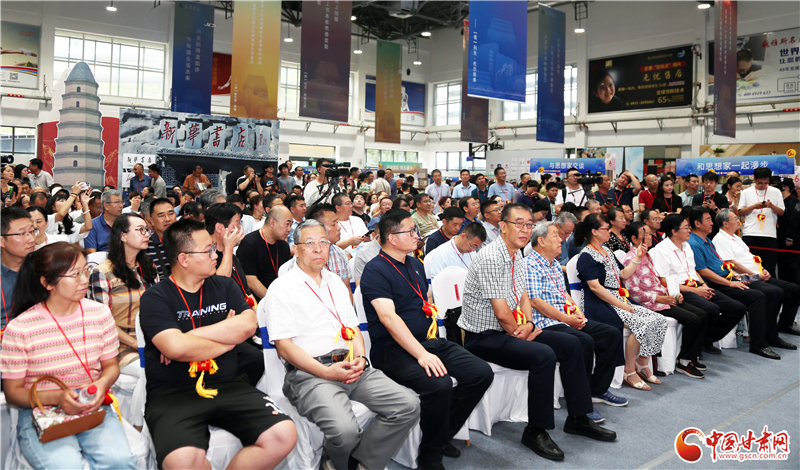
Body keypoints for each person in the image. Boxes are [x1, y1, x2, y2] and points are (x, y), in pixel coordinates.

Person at [460, 205, 616, 462]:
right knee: (543, 355)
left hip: (514, 328)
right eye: (519, 224)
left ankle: (578, 417)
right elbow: (501, 313)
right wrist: (519, 330)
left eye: (529, 225)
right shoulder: (491, 257)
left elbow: (524, 297)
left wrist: (530, 324)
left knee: (573, 345)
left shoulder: (517, 255)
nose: (525, 230)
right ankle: (536, 430)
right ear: (503, 226)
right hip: (485, 337)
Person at [138, 219, 296, 468]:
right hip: (174, 393)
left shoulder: (224, 285)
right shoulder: (155, 298)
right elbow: (176, 349)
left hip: (229, 384)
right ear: (183, 259)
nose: (216, 255)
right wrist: (228, 341)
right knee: (182, 461)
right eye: (208, 250)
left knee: (283, 434)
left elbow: (248, 325)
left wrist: (189, 336)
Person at [266, 219, 420, 470]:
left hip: (351, 365)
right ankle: (335, 463)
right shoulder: (281, 288)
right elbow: (284, 347)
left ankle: (361, 462)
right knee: (345, 431)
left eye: (323, 242)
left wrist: (361, 358)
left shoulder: (336, 282)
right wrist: (326, 372)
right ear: (296, 248)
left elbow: (353, 328)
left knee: (408, 405)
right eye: (310, 243)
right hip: (310, 373)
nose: (318, 249)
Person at [360, 209, 494, 470]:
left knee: (480, 373)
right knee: (439, 384)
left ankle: (440, 435)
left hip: (427, 341)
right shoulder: (375, 270)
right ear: (391, 238)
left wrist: (425, 347)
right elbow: (388, 318)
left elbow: (423, 302)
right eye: (410, 231)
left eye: (415, 230)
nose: (416, 235)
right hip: (392, 349)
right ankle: (430, 457)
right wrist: (421, 355)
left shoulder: (415, 264)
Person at [1, 242, 138, 469]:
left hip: (91, 403)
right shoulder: (21, 328)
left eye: (85, 271)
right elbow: (13, 393)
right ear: (47, 283)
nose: (84, 280)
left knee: (120, 462)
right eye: (75, 274)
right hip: (41, 409)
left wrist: (100, 386)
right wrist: (57, 397)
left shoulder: (99, 313)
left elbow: (111, 366)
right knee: (66, 465)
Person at [525, 221, 627, 417]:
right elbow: (536, 302)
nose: (561, 239)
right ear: (541, 241)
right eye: (555, 235)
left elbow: (563, 294)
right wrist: (567, 318)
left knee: (611, 334)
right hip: (545, 323)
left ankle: (597, 389)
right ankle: (582, 403)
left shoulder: (554, 264)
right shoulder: (529, 265)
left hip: (564, 318)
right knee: (584, 341)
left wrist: (576, 311)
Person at [575, 213, 668, 390]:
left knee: (658, 319)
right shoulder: (586, 256)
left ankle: (642, 362)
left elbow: (623, 274)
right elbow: (596, 288)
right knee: (641, 323)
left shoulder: (606, 250)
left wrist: (638, 257)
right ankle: (629, 370)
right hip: (600, 303)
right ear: (594, 231)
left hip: (618, 298)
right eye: (606, 228)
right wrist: (622, 305)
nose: (609, 232)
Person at [650, 212, 753, 357]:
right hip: (680, 290)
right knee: (711, 309)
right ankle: (696, 346)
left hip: (696, 286)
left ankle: (705, 338)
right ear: (674, 231)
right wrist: (696, 291)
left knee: (737, 308)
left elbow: (693, 271)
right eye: (686, 228)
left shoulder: (686, 246)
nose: (689, 231)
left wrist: (703, 285)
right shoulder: (660, 250)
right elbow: (664, 281)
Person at [687, 206, 778, 359]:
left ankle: (770, 336)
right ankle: (758, 344)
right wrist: (730, 283)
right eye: (708, 220)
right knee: (757, 296)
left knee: (773, 291)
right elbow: (703, 271)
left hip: (731, 277)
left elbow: (720, 264)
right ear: (697, 223)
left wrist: (736, 276)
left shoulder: (707, 240)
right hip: (717, 283)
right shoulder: (694, 243)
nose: (712, 223)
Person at [622, 222, 708, 379]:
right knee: (693, 319)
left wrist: (673, 293)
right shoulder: (631, 259)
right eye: (646, 234)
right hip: (650, 303)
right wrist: (660, 298)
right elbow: (633, 293)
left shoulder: (647, 255)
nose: (650, 237)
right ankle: (684, 361)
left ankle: (691, 357)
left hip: (662, 299)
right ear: (634, 239)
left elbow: (658, 282)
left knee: (702, 314)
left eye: (650, 234)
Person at [713, 208, 800, 340]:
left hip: (756, 274)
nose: (738, 221)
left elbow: (750, 257)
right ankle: (768, 332)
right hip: (744, 277)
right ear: (725, 223)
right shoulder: (720, 239)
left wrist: (763, 269)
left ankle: (784, 324)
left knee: (794, 289)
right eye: (735, 219)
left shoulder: (736, 237)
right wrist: (756, 275)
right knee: (774, 292)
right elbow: (732, 263)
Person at [238, 205, 293, 300]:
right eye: (287, 224)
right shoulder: (249, 244)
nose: (289, 229)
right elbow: (250, 281)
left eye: (291, 225)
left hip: (281, 296)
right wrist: (272, 300)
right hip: (260, 301)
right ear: (272, 222)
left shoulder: (283, 245)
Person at [737, 167, 784, 277]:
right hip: (750, 234)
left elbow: (781, 212)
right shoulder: (746, 192)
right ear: (754, 179)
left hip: (769, 234)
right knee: (750, 267)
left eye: (766, 183)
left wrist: (772, 206)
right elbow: (740, 212)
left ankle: (771, 287)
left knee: (769, 268)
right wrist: (754, 206)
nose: (763, 186)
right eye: (759, 183)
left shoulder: (776, 192)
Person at [1, 207, 36, 331]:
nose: (31, 239)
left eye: (32, 231)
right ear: (1, 240)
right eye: (21, 234)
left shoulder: (44, 268)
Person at [145, 198, 177, 279]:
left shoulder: (187, 241)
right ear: (152, 221)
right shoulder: (146, 246)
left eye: (171, 214)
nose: (167, 219)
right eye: (161, 216)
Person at [776, 179, 800, 285]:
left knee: (791, 266)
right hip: (781, 237)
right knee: (783, 265)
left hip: (790, 240)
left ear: (785, 187)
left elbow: (794, 220)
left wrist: (790, 236)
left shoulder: (792, 201)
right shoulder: (783, 201)